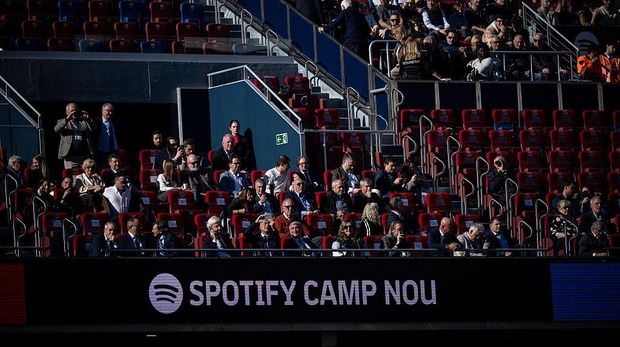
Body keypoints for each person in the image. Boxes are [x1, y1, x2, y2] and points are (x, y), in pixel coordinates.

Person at [54, 102, 96, 169]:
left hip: (84, 157)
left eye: (75, 110)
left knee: (85, 176)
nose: (74, 112)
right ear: (67, 112)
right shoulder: (62, 121)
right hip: (70, 158)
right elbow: (56, 129)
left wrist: (88, 119)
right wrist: (67, 119)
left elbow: (94, 129)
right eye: (72, 111)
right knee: (70, 176)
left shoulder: (82, 121)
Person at [95, 103, 119, 168]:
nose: (110, 113)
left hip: (114, 151)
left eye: (111, 111)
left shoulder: (114, 122)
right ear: (102, 111)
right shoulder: (97, 122)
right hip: (102, 152)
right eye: (108, 111)